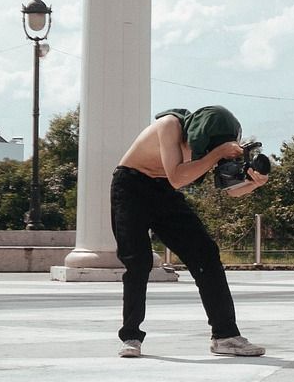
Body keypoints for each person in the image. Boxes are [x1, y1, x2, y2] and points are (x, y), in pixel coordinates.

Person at [111, 104, 268, 358]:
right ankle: (131, 336)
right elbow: (177, 177)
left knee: (205, 253)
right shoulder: (169, 126)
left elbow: (230, 190)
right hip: (131, 186)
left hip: (165, 191)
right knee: (138, 261)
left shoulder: (209, 149)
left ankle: (225, 335)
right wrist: (216, 153)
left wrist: (253, 183)